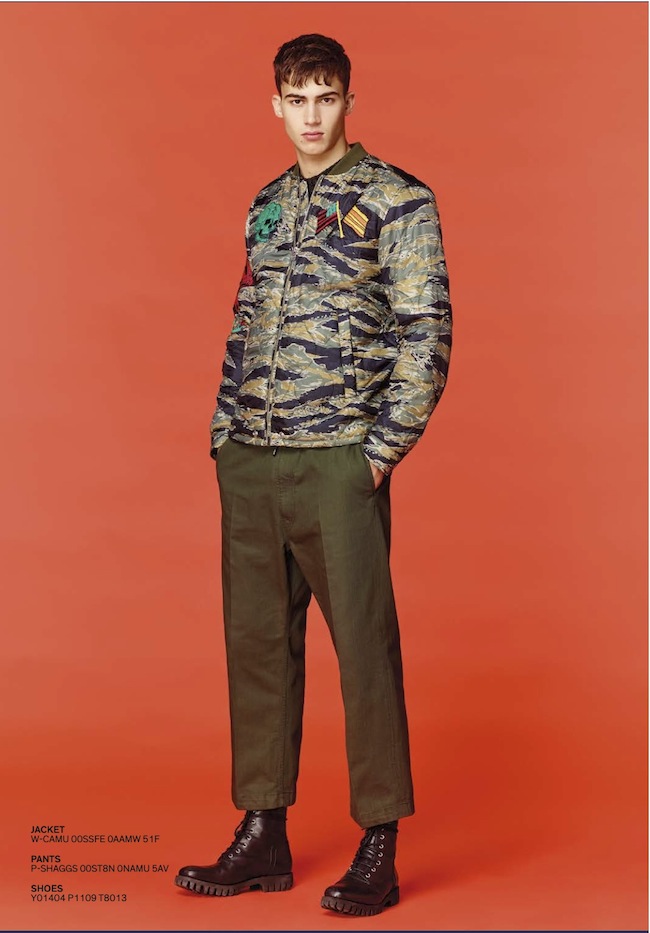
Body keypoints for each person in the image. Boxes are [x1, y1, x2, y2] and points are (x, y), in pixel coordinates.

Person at [175, 33, 452, 917]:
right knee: (257, 645)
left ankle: (380, 841)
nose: (311, 115)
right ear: (276, 105)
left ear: (348, 103)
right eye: (296, 99)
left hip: (339, 458)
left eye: (325, 97)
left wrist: (379, 451)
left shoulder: (399, 199)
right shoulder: (264, 205)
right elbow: (245, 317)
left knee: (364, 648)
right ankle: (263, 830)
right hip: (253, 459)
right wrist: (223, 433)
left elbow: (427, 334)